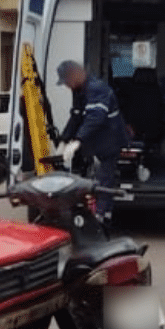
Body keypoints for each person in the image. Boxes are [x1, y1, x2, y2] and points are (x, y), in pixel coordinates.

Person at [55, 60, 129, 225]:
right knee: (99, 180)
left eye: (66, 81)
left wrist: (77, 141)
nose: (66, 86)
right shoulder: (79, 90)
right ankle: (102, 216)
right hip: (97, 142)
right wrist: (64, 141)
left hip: (110, 141)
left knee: (104, 181)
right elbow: (76, 116)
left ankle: (100, 219)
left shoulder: (96, 88)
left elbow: (95, 118)